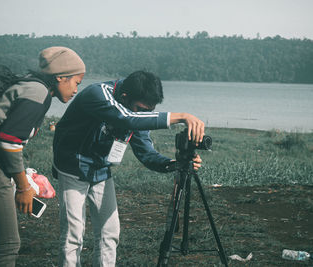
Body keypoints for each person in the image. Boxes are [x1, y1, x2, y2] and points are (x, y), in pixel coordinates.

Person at [53, 70, 205, 267]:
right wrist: (182, 116)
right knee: (73, 235)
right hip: (72, 167)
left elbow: (147, 154)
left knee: (110, 232)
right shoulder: (97, 94)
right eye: (141, 109)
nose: (144, 115)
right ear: (124, 97)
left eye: (148, 111)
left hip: (100, 170)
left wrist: (176, 165)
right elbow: (127, 118)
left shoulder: (135, 111)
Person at [0, 46, 86, 267]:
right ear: (61, 77)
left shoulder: (28, 85)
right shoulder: (38, 92)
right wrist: (23, 187)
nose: (76, 90)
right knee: (6, 245)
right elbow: (9, 141)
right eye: (76, 82)